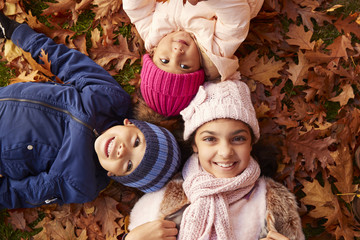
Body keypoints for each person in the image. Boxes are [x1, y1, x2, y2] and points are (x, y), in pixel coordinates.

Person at [0, 12, 181, 210]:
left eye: (129, 165)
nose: (123, 151)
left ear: (115, 176)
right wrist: (16, 32)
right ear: (131, 124)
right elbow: (66, 62)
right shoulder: (109, 98)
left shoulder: (80, 181)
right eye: (136, 142)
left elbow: (20, 193)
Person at [124, 80, 305, 240]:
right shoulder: (165, 195)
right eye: (210, 139)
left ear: (251, 143)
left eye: (238, 138)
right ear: (195, 145)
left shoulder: (271, 200)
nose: (225, 152)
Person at [122, 0, 264, 117]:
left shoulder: (152, 34)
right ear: (199, 68)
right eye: (184, 66)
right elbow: (235, 19)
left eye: (165, 61)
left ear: (153, 54)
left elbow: (136, 9)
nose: (177, 53)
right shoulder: (215, 49)